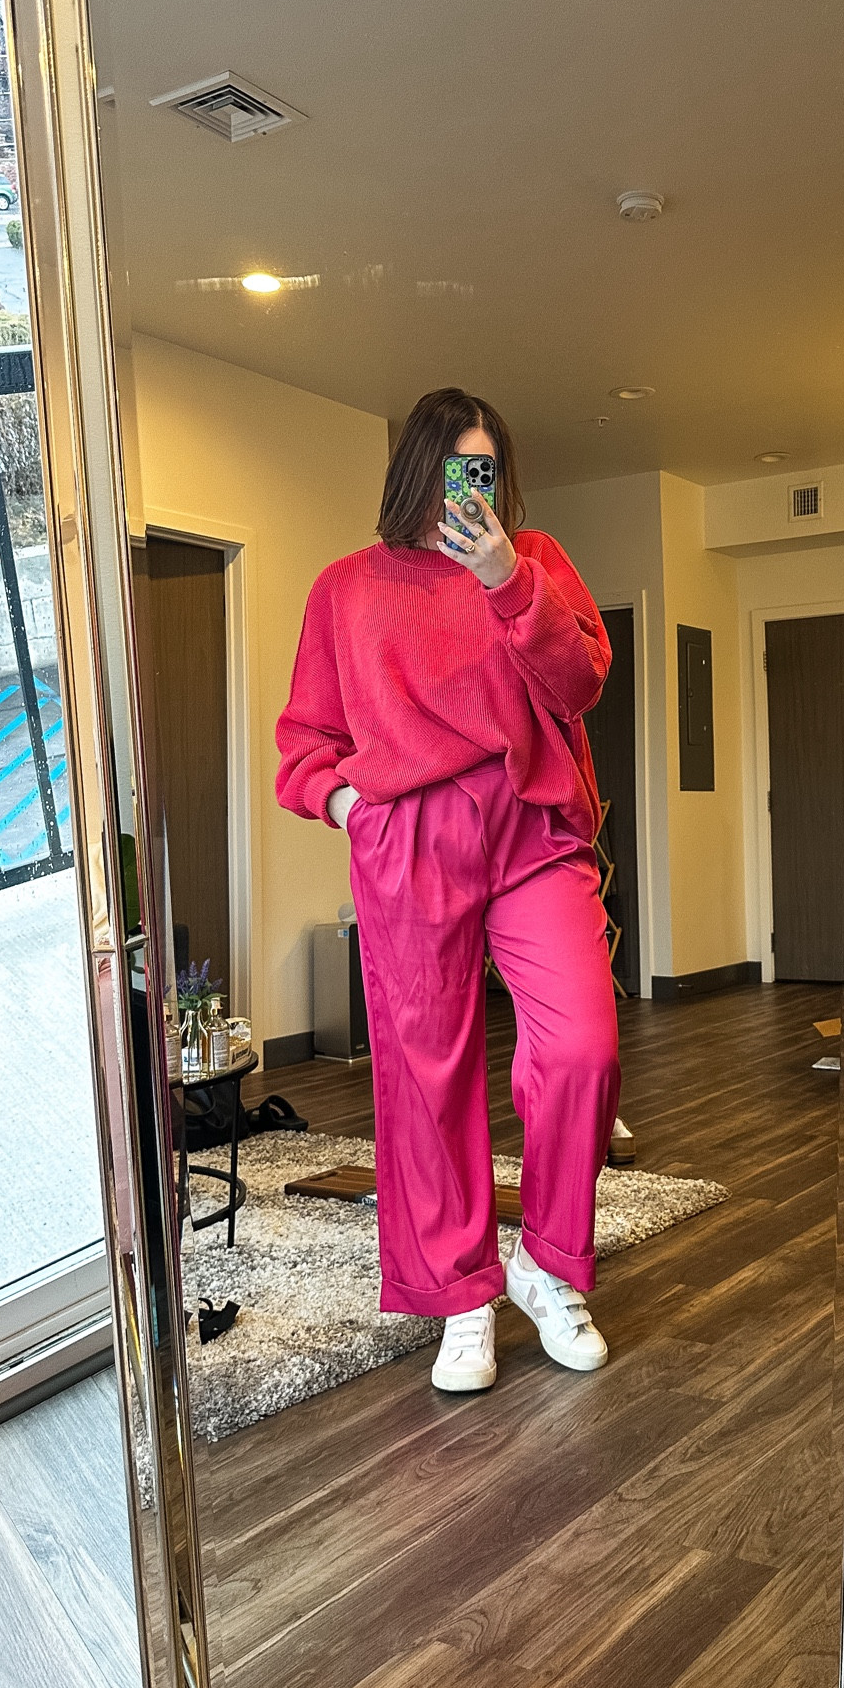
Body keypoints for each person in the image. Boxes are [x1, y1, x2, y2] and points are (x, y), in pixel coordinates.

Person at [276, 387, 620, 1393]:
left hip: (529, 825)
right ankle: (461, 1293)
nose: (471, 492)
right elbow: (306, 745)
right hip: (409, 838)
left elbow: (582, 683)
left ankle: (548, 1265)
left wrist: (509, 581)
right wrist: (350, 807)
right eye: (454, 470)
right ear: (414, 471)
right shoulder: (346, 588)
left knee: (582, 1042)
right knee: (426, 1073)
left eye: (487, 473)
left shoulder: (534, 560)